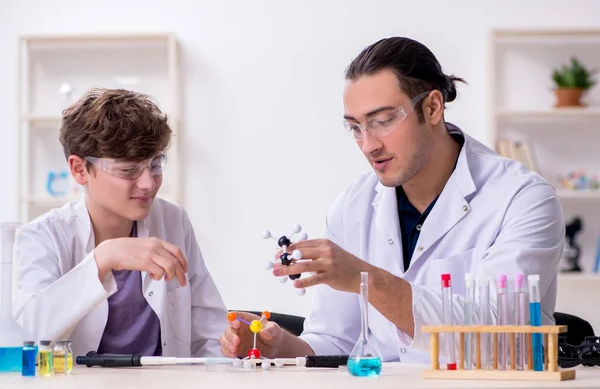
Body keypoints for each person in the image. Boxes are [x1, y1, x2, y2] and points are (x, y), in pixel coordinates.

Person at [220, 37, 565, 363]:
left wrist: (365, 278)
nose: (368, 145)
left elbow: (498, 339)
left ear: (432, 107)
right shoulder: (352, 206)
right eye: (355, 127)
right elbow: (337, 344)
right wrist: (279, 345)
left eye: (382, 121)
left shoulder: (522, 199)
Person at [14, 88, 228, 359]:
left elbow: (210, 335)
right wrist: (103, 259)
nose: (149, 183)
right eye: (128, 170)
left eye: (155, 164)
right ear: (80, 169)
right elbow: (28, 335)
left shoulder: (174, 221)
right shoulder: (43, 236)